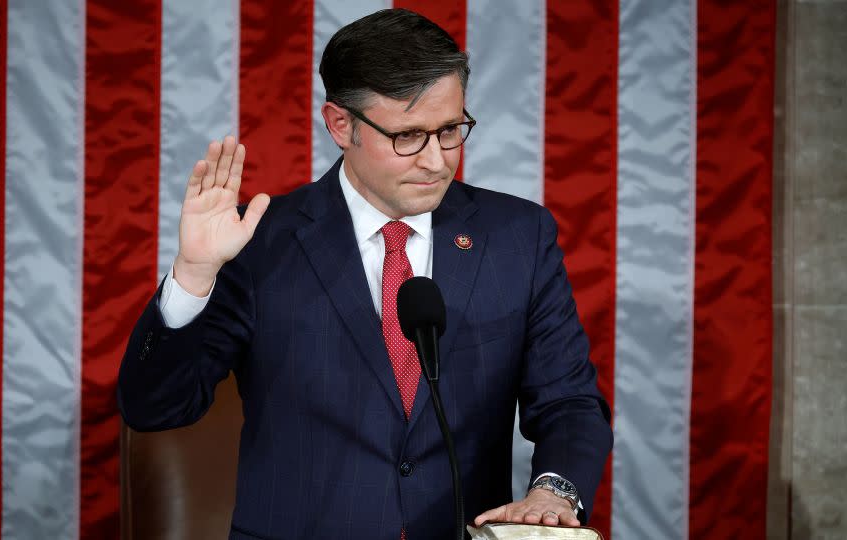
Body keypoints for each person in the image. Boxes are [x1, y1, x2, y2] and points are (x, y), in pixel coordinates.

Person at [117, 8, 612, 540]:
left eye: (450, 130)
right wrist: (193, 274)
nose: (436, 161)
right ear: (340, 125)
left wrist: (552, 492)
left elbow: (568, 402)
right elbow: (156, 408)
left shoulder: (518, 236)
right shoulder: (260, 242)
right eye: (407, 136)